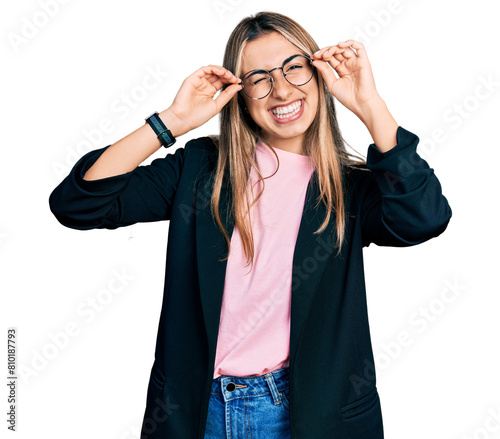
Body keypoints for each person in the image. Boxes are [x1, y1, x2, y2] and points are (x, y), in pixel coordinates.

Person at [48, 10, 452, 439]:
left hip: (305, 415)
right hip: (198, 413)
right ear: (240, 94)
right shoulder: (203, 167)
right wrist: (170, 123)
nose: (280, 90)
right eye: (259, 78)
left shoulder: (349, 189)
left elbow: (424, 218)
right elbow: (78, 205)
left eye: (294, 68)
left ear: (318, 74)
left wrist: (370, 106)